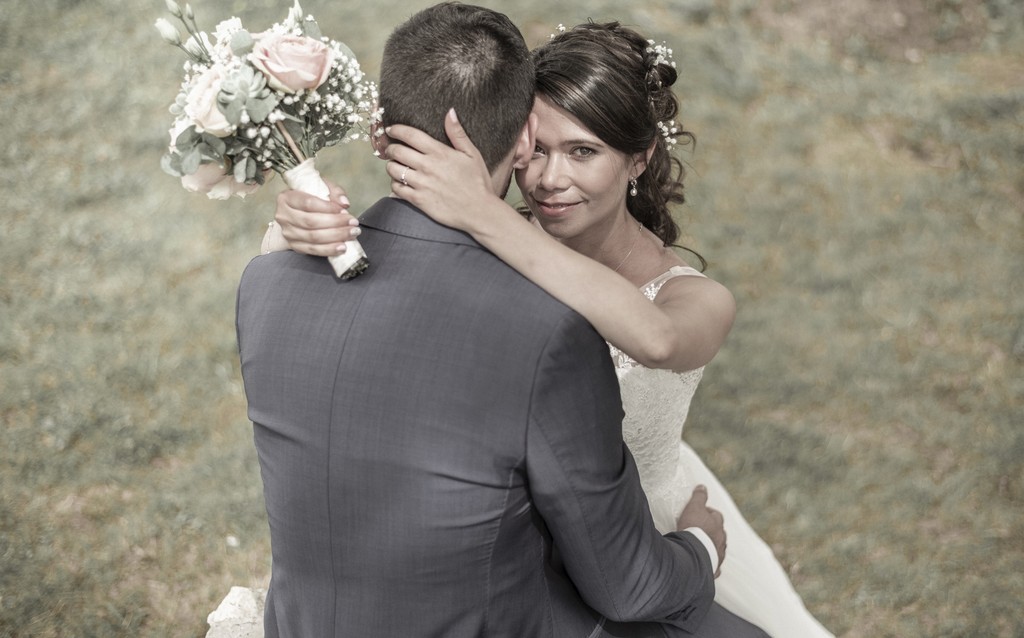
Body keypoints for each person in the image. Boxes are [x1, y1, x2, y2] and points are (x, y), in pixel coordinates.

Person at [270, 20, 834, 638]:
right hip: (507, 551)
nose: (548, 179)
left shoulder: (694, 298)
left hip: (652, 542)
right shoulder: (485, 242)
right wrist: (297, 221)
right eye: (536, 149)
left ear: (639, 159)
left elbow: (657, 340)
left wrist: (485, 214)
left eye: (582, 152)